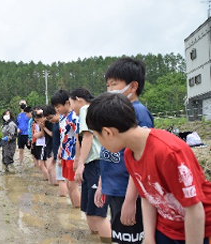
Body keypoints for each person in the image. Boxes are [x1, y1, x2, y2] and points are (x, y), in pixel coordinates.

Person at [87, 92, 211, 244]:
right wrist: (149, 237)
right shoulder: (129, 154)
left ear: (107, 132)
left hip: (198, 230)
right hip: (165, 227)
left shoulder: (168, 152)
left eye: (97, 136)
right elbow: (148, 195)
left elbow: (194, 210)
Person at [94, 57, 153, 244]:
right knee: (118, 237)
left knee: (128, 239)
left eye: (114, 84)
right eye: (108, 85)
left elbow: (140, 160)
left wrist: (130, 200)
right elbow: (108, 154)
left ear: (133, 86)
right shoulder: (115, 111)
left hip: (128, 193)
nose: (110, 89)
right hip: (114, 189)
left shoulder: (138, 113)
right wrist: (102, 184)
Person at [70, 88, 112, 243]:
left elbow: (87, 137)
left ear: (79, 99)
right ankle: (95, 237)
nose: (71, 106)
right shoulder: (93, 110)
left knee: (97, 213)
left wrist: (80, 164)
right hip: (93, 163)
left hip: (95, 162)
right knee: (89, 210)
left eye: (71, 102)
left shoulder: (86, 110)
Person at [51, 89, 81, 208]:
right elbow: (63, 136)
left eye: (58, 106)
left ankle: (78, 209)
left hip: (73, 156)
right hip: (65, 155)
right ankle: (74, 207)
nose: (56, 110)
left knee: (73, 186)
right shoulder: (63, 117)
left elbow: (79, 138)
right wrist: (60, 150)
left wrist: (78, 158)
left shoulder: (74, 117)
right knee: (68, 184)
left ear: (67, 103)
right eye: (55, 107)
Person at [43, 105, 67, 196]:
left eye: (50, 118)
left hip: (62, 153)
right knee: (60, 177)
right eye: (48, 119)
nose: (50, 120)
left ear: (56, 113)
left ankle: (63, 198)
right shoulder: (56, 124)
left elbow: (64, 140)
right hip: (57, 152)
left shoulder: (62, 123)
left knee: (62, 179)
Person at [16, 100, 30, 164]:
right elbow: (17, 124)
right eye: (21, 104)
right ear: (19, 106)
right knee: (20, 151)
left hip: (28, 135)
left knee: (32, 150)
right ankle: (21, 163)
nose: (22, 105)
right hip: (20, 135)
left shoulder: (28, 114)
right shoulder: (19, 115)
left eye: (23, 104)